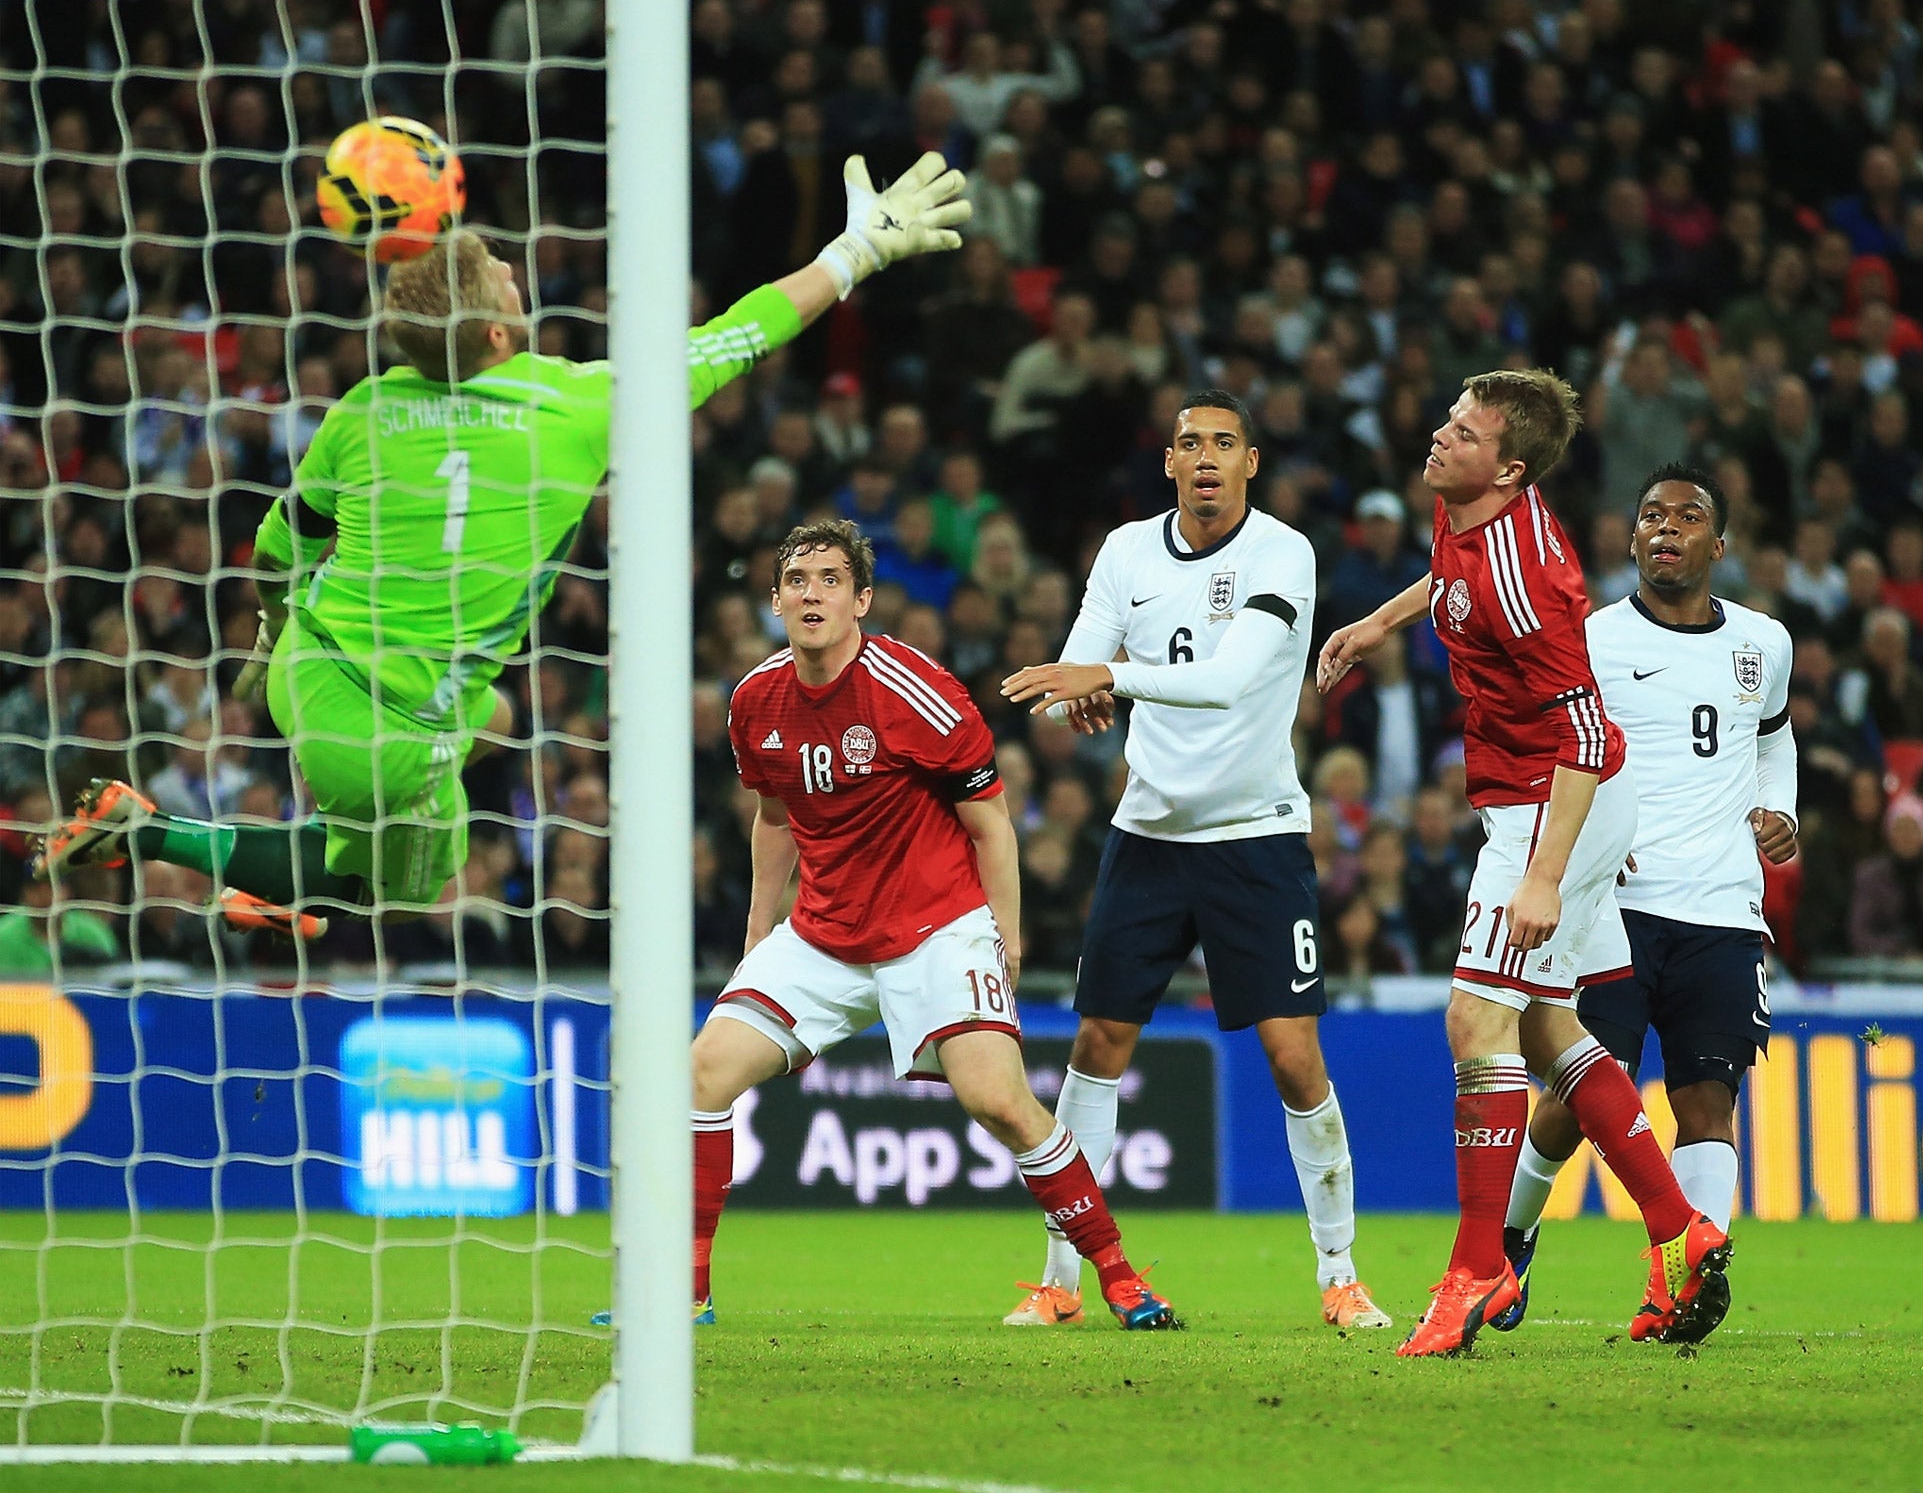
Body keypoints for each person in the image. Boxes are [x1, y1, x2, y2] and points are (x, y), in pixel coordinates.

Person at [32, 155, 972, 926]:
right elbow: (738, 337)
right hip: (390, 744)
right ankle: (149, 834)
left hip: (307, 671)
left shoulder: (364, 408)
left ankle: (285, 884)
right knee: (382, 889)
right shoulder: (577, 408)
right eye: (503, 275)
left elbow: (283, 540)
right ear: (493, 327)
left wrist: (273, 630)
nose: (517, 273)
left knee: (500, 725)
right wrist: (855, 253)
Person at [1317, 370, 1727, 1356]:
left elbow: (1584, 729)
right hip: (1536, 800)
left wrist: (1543, 874)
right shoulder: (1464, 510)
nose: (1437, 436)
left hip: (1559, 803)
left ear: (1506, 469)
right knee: (1546, 1027)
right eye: (1445, 417)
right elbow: (1447, 578)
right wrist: (1379, 620)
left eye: (1460, 432)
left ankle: (1474, 1266)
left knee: (1474, 1019)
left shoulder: (1525, 573)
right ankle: (1678, 1228)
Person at [691, 519, 1175, 1329]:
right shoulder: (754, 701)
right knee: (702, 1076)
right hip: (820, 935)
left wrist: (1005, 937)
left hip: (934, 928)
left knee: (999, 1101)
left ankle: (1122, 1280)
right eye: (797, 580)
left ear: (862, 599)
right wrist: (756, 938)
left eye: (830, 580)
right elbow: (774, 819)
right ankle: (687, 1296)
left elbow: (990, 824)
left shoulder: (918, 691)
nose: (812, 594)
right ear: (774, 599)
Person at [998, 390, 1391, 1332]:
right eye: (1188, 444)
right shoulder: (1128, 550)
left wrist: (1110, 680)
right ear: (1168, 463)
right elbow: (1078, 665)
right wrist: (1079, 698)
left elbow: (1226, 682)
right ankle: (1063, 1276)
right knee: (1096, 1048)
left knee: (1295, 1058)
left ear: (1251, 463)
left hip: (1254, 837)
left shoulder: (1281, 553)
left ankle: (1339, 1272)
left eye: (1223, 443)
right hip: (1148, 837)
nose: (1205, 457)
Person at [1492, 465, 1797, 1346]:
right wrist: (1574, 847)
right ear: (1631, 540)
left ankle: (1687, 1282)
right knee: (1578, 1097)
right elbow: (1555, 751)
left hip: (1725, 908)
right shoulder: (1589, 640)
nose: (1667, 528)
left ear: (1718, 545)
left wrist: (1780, 811)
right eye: (1651, 516)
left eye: (1688, 516)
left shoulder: (1764, 644)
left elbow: (1773, 740)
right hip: (1612, 907)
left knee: (1709, 1100)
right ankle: (1510, 1238)